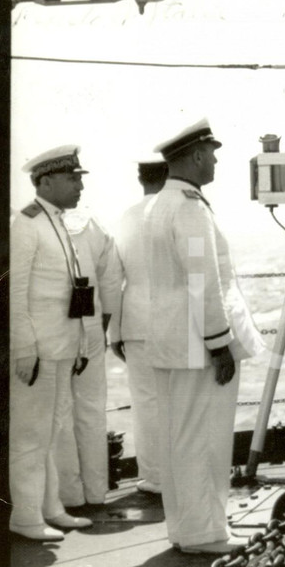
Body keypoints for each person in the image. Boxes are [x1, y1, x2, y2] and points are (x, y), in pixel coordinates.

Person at [145, 119, 265, 554]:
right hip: (199, 345)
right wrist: (220, 344)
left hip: (171, 344)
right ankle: (205, 534)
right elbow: (203, 281)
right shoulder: (190, 209)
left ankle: (185, 527)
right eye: (211, 152)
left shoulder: (160, 204)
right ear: (195, 156)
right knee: (204, 441)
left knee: (179, 439)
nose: (215, 159)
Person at [9, 145, 96, 540]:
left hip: (61, 346)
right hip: (38, 350)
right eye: (72, 178)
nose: (79, 185)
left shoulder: (58, 221)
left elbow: (67, 291)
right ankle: (25, 518)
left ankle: (51, 508)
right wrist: (25, 350)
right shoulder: (25, 223)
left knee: (52, 430)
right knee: (31, 434)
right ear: (45, 181)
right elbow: (14, 293)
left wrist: (79, 343)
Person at [52, 196, 123, 509]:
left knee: (59, 412)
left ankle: (69, 496)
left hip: (52, 329)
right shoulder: (94, 224)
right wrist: (101, 326)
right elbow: (111, 281)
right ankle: (95, 492)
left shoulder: (32, 222)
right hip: (91, 324)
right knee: (92, 411)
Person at [108, 158, 170, 495]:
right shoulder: (182, 212)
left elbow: (114, 278)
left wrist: (115, 332)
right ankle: (182, 473)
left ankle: (155, 478)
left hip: (135, 323)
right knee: (181, 401)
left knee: (146, 404)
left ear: (140, 179)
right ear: (169, 176)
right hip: (177, 324)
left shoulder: (126, 218)